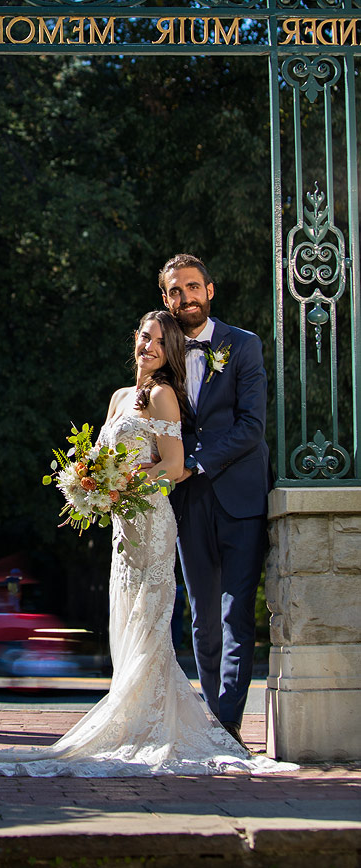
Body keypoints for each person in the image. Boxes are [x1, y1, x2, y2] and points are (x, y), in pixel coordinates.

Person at [0, 311, 294, 777]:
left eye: (159, 341)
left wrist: (126, 488)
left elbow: (174, 468)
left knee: (151, 623)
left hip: (152, 523)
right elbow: (100, 456)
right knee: (125, 619)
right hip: (122, 528)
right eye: (144, 337)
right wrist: (86, 482)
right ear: (133, 341)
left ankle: (153, 724)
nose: (149, 346)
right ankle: (133, 717)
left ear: (170, 350)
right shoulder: (119, 397)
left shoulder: (163, 396)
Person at [160, 253, 273, 753]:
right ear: (166, 300)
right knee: (202, 616)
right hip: (188, 500)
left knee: (236, 614)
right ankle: (213, 723)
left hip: (240, 495)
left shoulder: (243, 345)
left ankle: (227, 725)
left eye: (192, 287)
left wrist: (195, 462)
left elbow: (252, 426)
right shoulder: (164, 352)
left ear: (210, 290)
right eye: (175, 291)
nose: (185, 298)